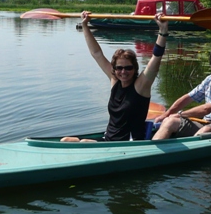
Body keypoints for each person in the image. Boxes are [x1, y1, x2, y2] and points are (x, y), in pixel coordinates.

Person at [61, 11, 169, 142]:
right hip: (108, 140)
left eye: (128, 68)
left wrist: (162, 31)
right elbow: (96, 53)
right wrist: (85, 25)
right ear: (115, 69)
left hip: (128, 144)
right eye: (119, 68)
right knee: (66, 140)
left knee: (83, 142)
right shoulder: (114, 80)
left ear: (134, 68)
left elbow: (156, 58)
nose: (123, 72)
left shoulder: (141, 86)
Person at [152, 47, 211, 140]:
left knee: (205, 130)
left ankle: (185, 153)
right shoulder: (210, 79)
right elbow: (189, 97)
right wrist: (168, 113)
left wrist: (180, 114)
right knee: (169, 121)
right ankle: (154, 149)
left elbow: (206, 109)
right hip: (206, 121)